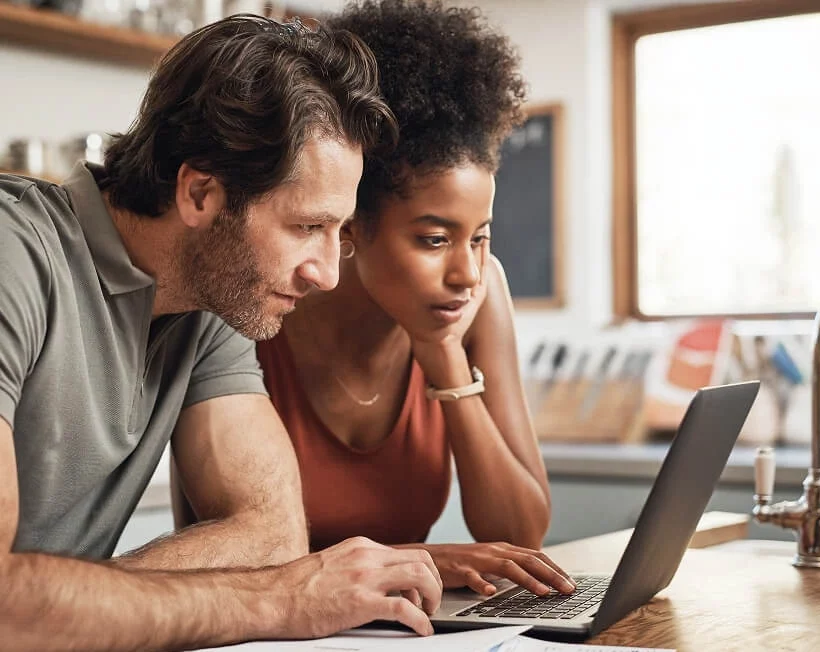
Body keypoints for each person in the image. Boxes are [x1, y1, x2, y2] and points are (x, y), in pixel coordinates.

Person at [0, 14, 445, 650]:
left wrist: (59, 606)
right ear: (201, 194)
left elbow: (272, 537)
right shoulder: (13, 257)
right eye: (305, 227)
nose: (326, 274)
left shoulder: (211, 297)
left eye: (337, 232)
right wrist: (281, 600)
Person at [200, 0, 575, 599]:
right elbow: (225, 558)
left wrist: (444, 356)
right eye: (434, 239)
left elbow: (521, 534)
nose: (467, 273)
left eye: (480, 237)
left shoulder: (480, 296)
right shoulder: (257, 306)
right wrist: (424, 559)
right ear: (351, 225)